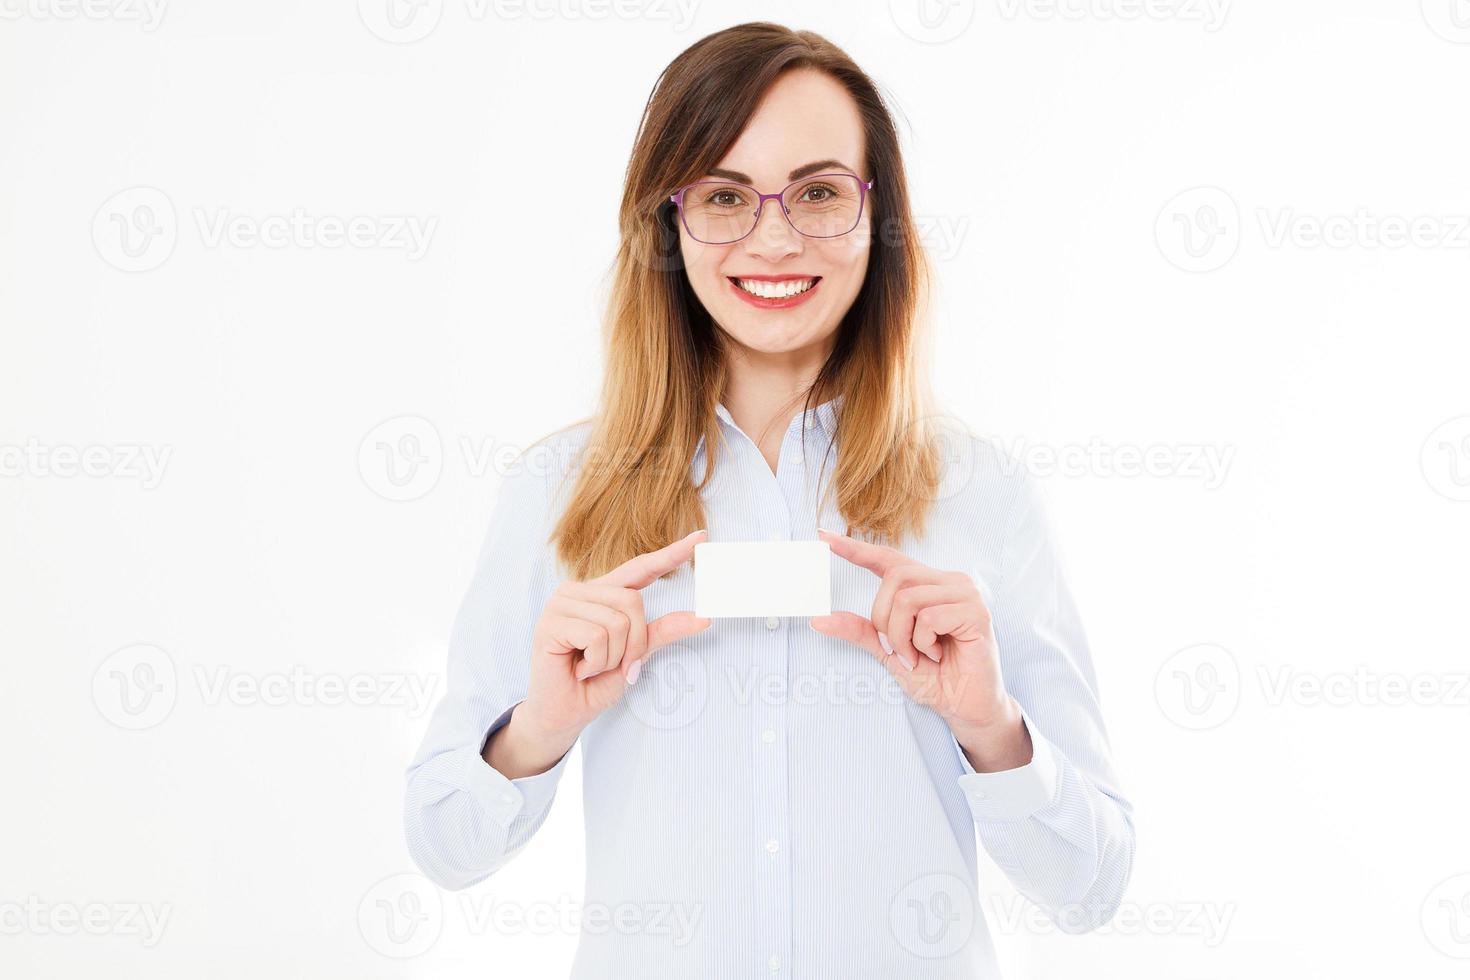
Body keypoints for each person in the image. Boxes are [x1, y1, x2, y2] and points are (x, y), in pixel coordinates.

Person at [404, 21, 1134, 978]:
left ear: (878, 216)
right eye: (723, 197)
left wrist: (990, 727)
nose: (776, 237)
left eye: (820, 192)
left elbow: (1091, 888)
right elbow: (445, 848)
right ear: (667, 221)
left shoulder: (980, 492)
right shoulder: (558, 490)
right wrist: (537, 729)